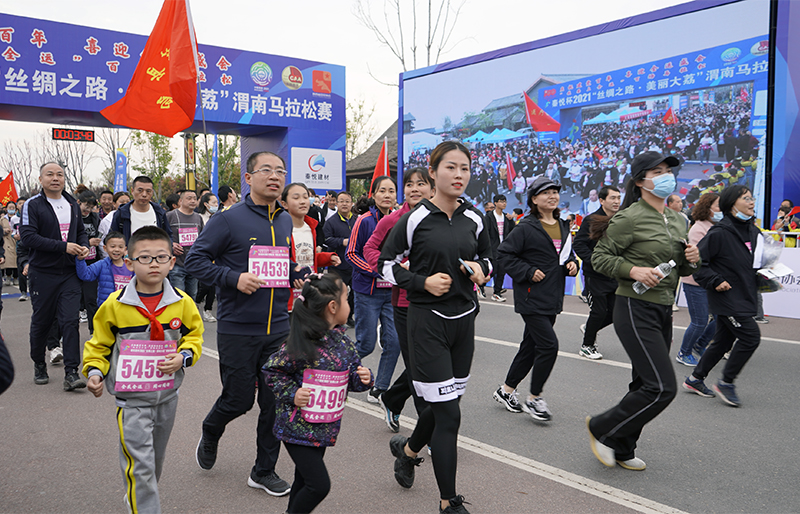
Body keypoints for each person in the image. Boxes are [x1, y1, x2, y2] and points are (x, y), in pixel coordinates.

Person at [185, 151, 310, 496]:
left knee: (275, 401)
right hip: (238, 327)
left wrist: (295, 275)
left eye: (280, 171)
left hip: (279, 328)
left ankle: (263, 470)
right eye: (266, 170)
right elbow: (195, 259)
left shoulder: (285, 220)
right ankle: (211, 429)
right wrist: (232, 277)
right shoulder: (228, 220)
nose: (275, 176)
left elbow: (277, 266)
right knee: (238, 400)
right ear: (248, 177)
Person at [378, 140, 492, 514]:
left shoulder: (475, 218)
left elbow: (489, 259)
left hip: (464, 323)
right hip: (426, 324)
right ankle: (449, 502)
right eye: (451, 168)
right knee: (449, 414)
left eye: (465, 169)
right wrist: (421, 282)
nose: (458, 175)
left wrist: (482, 271)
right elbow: (385, 263)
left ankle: (408, 451)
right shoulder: (413, 218)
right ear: (433, 173)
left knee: (448, 404)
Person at [587, 151, 700, 471]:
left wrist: (692, 257)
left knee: (643, 383)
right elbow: (599, 259)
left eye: (669, 170)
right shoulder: (629, 217)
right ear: (640, 181)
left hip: (663, 308)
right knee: (662, 386)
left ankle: (623, 447)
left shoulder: (679, 219)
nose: (667, 176)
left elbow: (685, 265)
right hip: (634, 307)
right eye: (658, 171)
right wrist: (633, 270)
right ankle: (601, 428)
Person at [82, 226, 203, 514]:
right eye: (145, 258)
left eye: (161, 257)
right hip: (131, 402)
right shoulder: (114, 305)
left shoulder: (183, 304)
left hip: (167, 399)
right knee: (140, 467)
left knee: (154, 464)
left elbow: (194, 337)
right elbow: (98, 345)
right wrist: (95, 372)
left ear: (172, 263)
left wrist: (183, 356)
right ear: (129, 261)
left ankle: (137, 498)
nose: (154, 264)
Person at [264, 274, 373, 514]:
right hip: (296, 428)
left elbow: (351, 378)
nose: (350, 303)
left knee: (303, 481)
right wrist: (293, 393)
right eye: (347, 298)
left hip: (323, 426)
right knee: (319, 485)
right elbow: (272, 371)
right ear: (333, 307)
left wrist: (364, 378)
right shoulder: (300, 344)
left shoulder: (344, 343)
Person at [493, 176, 578, 421]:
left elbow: (566, 254)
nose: (552, 196)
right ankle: (535, 398)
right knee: (549, 345)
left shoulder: (562, 225)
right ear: (534, 199)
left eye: (555, 192)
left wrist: (572, 264)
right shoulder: (525, 227)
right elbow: (504, 255)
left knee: (530, 346)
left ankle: (506, 390)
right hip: (531, 297)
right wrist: (528, 272)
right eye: (545, 192)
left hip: (553, 295)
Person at [364, 167, 435, 432]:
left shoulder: (442, 217)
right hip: (405, 303)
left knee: (430, 364)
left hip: (439, 302)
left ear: (432, 187)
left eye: (421, 184)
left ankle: (392, 398)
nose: (415, 189)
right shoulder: (393, 219)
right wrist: (393, 271)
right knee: (420, 367)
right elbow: (370, 249)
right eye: (409, 184)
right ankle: (429, 431)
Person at [683, 185, 762, 407]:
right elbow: (698, 265)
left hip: (745, 295)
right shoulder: (719, 232)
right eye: (745, 198)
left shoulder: (754, 232)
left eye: (752, 197)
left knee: (722, 341)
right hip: (726, 297)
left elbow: (754, 264)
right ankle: (726, 382)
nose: (751, 202)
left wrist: (765, 276)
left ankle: (695, 379)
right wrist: (715, 281)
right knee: (751, 337)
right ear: (731, 203)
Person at [20, 162, 90, 391]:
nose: (55, 178)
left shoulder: (71, 203)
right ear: (41, 179)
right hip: (43, 273)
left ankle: (71, 372)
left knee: (70, 321)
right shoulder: (33, 205)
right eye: (49, 174)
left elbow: (80, 232)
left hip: (69, 273)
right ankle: (39, 363)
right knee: (42, 322)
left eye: (60, 174)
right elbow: (28, 238)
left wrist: (83, 246)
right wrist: (63, 247)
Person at [345, 176, 401, 403]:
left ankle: (379, 388)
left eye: (391, 191)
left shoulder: (401, 220)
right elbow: (351, 253)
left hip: (393, 291)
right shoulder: (365, 220)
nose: (387, 195)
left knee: (395, 342)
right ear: (374, 194)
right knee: (366, 344)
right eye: (382, 191)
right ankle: (336, 372)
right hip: (367, 291)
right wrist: (377, 271)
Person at [573, 185, 621, 360]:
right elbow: (578, 244)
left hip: (615, 274)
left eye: (618, 198)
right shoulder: (592, 220)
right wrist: (595, 260)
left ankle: (590, 327)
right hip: (595, 275)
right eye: (612, 198)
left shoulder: (622, 219)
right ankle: (587, 345)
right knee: (599, 311)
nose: (616, 201)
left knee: (616, 313)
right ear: (602, 200)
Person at [676, 193, 720, 366]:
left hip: (711, 281)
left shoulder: (716, 226)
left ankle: (700, 344)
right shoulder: (698, 229)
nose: (721, 210)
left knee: (720, 318)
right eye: (718, 206)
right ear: (707, 208)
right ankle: (684, 352)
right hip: (695, 282)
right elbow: (699, 258)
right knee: (700, 321)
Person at [280, 183, 339, 311]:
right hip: (288, 300)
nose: (302, 202)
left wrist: (329, 258)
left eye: (305, 197)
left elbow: (309, 258)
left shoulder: (311, 227)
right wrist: (292, 275)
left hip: (309, 296)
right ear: (284, 204)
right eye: (296, 198)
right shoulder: (279, 229)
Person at [323, 191, 357, 326]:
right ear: (336, 203)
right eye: (341, 201)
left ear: (351, 203)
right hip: (337, 265)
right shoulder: (330, 222)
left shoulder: (357, 220)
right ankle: (334, 320)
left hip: (354, 265)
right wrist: (341, 241)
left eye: (347, 201)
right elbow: (327, 240)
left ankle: (348, 316)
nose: (344, 204)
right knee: (336, 294)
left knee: (355, 294)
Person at [77, 231, 134, 306]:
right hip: (106, 308)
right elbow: (85, 275)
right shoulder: (102, 264)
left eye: (120, 247)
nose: (116, 249)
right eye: (112, 246)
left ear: (125, 249)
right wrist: (80, 259)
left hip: (126, 306)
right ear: (105, 248)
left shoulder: (131, 266)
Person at [166, 189, 204, 302]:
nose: (192, 201)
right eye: (189, 198)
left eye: (195, 198)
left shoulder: (198, 218)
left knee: (192, 296)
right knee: (178, 296)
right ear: (180, 201)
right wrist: (170, 245)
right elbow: (161, 235)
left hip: (193, 263)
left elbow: (202, 238)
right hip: (176, 263)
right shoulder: (170, 216)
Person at [110, 176, 172, 243]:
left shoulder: (159, 212)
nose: (144, 194)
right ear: (132, 191)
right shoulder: (122, 213)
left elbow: (168, 236)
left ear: (152, 192)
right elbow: (112, 238)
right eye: (140, 190)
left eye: (148, 191)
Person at [77, 190, 102, 332]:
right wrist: (88, 242)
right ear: (78, 202)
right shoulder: (72, 217)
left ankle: (94, 331)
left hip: (92, 262)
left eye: (91, 206)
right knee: (75, 297)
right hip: (76, 262)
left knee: (92, 298)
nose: (88, 209)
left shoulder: (95, 218)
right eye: (86, 205)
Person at [485, 194, 515, 303]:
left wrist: (511, 220)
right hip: (493, 248)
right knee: (494, 269)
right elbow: (486, 233)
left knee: (502, 270)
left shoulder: (506, 217)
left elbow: (513, 230)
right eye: (502, 201)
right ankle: (480, 283)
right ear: (496, 203)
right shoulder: (489, 217)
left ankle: (496, 293)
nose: (504, 204)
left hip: (504, 248)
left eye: (505, 202)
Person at [194, 192, 219, 322]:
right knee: (204, 285)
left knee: (212, 284)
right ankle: (196, 303)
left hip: (215, 255)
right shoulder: (198, 218)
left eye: (217, 202)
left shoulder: (217, 218)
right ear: (206, 204)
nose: (216, 205)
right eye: (214, 202)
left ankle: (207, 310)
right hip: (202, 256)